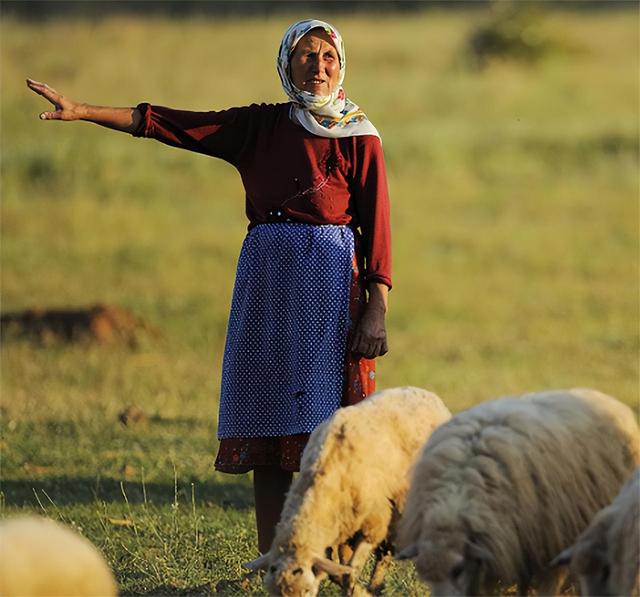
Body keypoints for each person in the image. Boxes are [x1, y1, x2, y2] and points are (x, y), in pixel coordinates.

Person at [27, 18, 392, 555]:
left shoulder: (359, 135)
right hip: (265, 287)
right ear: (286, 64)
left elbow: (377, 226)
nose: (318, 67)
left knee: (326, 439)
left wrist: (376, 307)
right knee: (268, 435)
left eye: (328, 58)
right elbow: (167, 123)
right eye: (307, 57)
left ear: (342, 66)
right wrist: (83, 111)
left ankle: (329, 561)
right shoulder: (259, 128)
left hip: (330, 291)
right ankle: (276, 564)